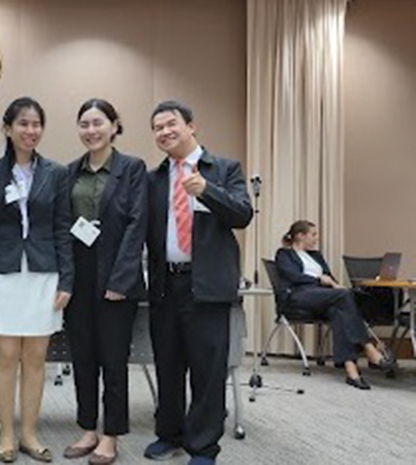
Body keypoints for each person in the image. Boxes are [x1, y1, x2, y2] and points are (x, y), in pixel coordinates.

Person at [143, 100, 252, 465]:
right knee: (168, 366)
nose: (164, 132)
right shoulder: (155, 178)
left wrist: (207, 190)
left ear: (191, 126)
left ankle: (203, 447)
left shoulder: (223, 169)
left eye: (171, 124)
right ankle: (168, 434)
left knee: (208, 371)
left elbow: (242, 215)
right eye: (157, 128)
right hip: (165, 286)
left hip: (207, 286)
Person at [0, 97, 73, 463]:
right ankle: (7, 434)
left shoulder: (57, 174)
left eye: (36, 124)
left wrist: (67, 281)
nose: (31, 131)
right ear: (8, 128)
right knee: (6, 355)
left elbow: (63, 229)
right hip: (1, 272)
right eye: (23, 124)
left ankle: (29, 432)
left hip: (43, 272)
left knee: (37, 357)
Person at [62, 99, 147, 465]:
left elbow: (137, 225)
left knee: (113, 360)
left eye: (98, 122)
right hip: (78, 278)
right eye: (84, 124)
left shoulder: (132, 168)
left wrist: (122, 279)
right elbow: (62, 227)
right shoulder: (69, 173)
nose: (91, 130)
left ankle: (111, 434)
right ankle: (87, 428)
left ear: (114, 125)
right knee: (82, 357)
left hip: (116, 278)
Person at [274, 220, 397, 389]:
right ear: (300, 236)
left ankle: (351, 370)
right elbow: (293, 276)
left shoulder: (316, 255)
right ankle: (368, 347)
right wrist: (319, 280)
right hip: (298, 296)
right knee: (342, 297)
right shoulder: (284, 254)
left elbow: (330, 278)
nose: (316, 238)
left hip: (324, 297)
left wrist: (334, 284)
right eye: (313, 234)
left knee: (339, 311)